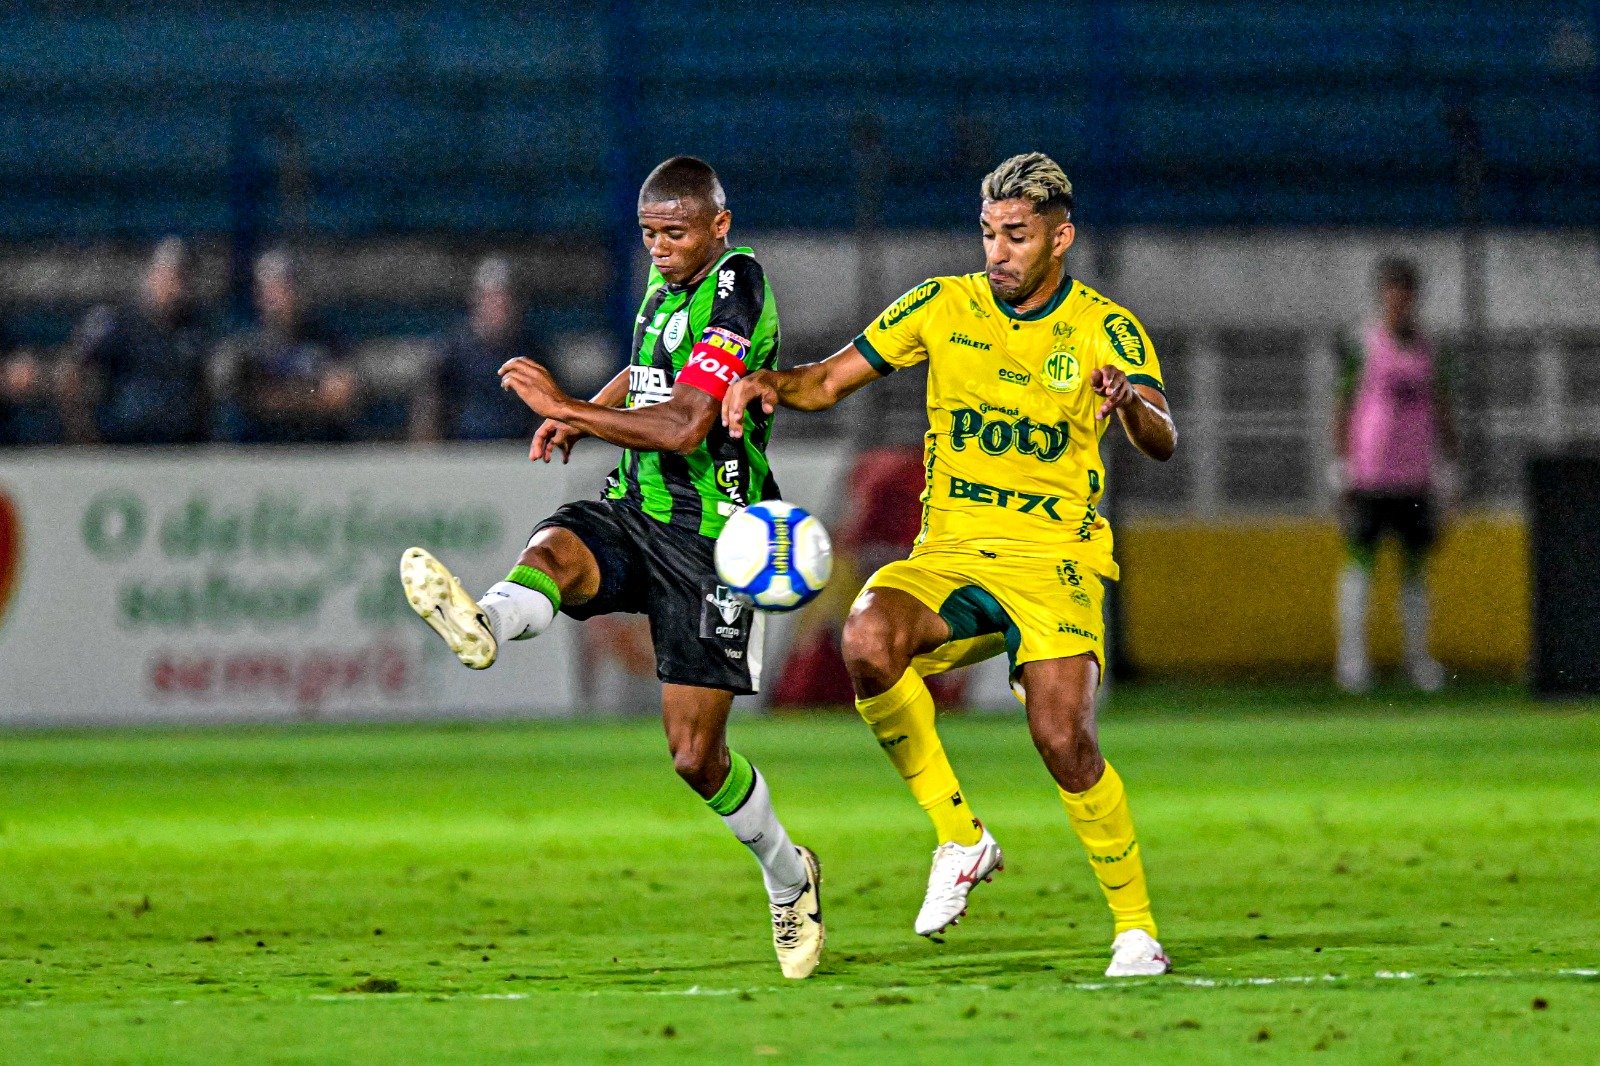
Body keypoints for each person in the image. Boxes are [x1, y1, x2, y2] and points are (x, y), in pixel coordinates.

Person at [722, 152, 1177, 978]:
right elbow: (828, 381)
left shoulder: (1105, 328)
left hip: (1055, 564)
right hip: (952, 556)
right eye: (989, 233)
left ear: (1059, 237)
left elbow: (1162, 436)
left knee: (1063, 739)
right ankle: (960, 838)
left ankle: (1136, 930)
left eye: (1017, 235)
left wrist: (1130, 404)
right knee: (866, 638)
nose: (998, 251)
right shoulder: (942, 304)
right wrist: (770, 386)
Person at [398, 157, 824, 979]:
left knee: (695, 757)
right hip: (636, 511)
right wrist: (589, 411)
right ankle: (484, 622)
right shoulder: (665, 292)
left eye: (676, 233)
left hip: (715, 545)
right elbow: (653, 375)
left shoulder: (737, 286)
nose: (660, 250)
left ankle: (785, 873)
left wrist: (568, 408)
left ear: (718, 227)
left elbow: (687, 424)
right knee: (557, 547)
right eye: (650, 235)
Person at [1332, 258, 1458, 694]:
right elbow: (1343, 405)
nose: (1399, 303)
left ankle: (1418, 660)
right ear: (1382, 296)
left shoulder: (1430, 349)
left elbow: (1443, 406)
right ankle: (1351, 661)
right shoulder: (1362, 344)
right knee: (1359, 566)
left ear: (1414, 298)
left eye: (1406, 294)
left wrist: (1449, 465)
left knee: (1416, 570)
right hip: (1369, 474)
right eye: (1392, 293)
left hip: (1416, 474)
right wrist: (1341, 464)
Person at [60, 237, 212, 445]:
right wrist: (84, 434)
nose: (173, 285)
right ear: (151, 275)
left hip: (181, 446)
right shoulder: (119, 322)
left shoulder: (198, 326)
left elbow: (206, 389)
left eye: (181, 277)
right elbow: (73, 371)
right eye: (167, 275)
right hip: (125, 445)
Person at [216, 249, 359, 444]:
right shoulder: (244, 346)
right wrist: (313, 396)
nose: (282, 294)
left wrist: (278, 396)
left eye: (287, 284)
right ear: (259, 294)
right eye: (273, 286)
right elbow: (246, 400)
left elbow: (341, 396)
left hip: (319, 447)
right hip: (263, 449)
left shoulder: (327, 340)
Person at [411, 256, 545, 442]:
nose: (498, 307)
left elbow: (547, 410)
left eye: (503, 299)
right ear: (477, 301)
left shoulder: (531, 350)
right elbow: (430, 405)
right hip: (462, 451)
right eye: (491, 299)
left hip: (517, 450)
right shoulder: (453, 348)